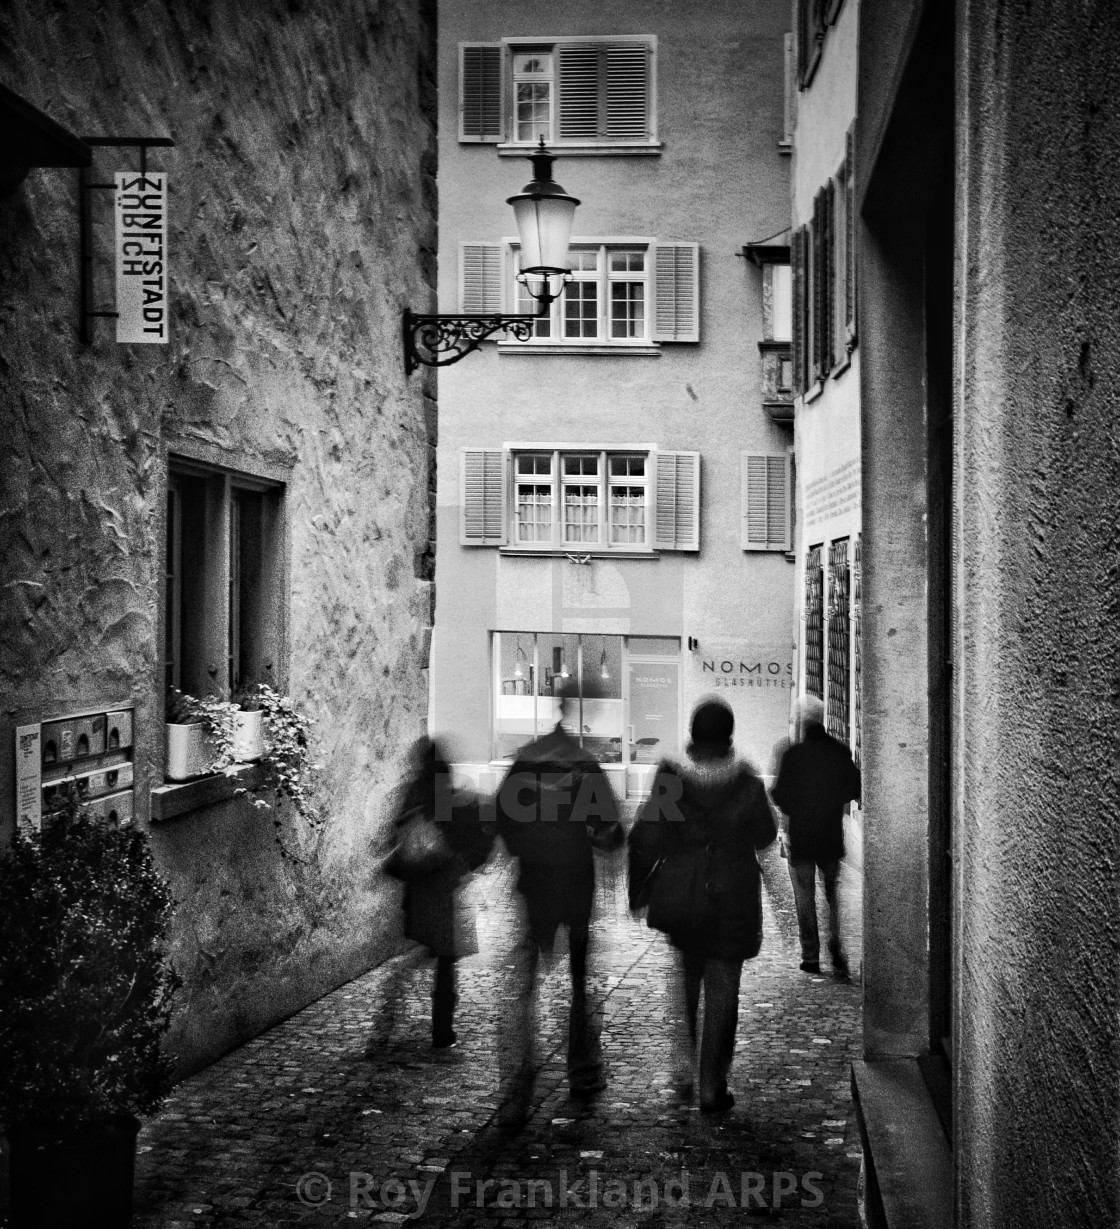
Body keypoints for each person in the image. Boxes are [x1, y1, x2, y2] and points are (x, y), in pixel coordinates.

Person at [628, 698, 776, 1115]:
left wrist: (638, 891)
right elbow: (765, 837)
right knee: (724, 990)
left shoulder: (672, 780)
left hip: (682, 897)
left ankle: (681, 1065)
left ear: (692, 737)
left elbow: (645, 837)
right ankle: (713, 1085)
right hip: (733, 900)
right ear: (728, 736)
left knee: (687, 978)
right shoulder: (746, 782)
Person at [494, 684, 624, 1126]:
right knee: (580, 978)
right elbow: (609, 829)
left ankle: (518, 1078)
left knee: (525, 979)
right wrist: (591, 837)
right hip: (574, 881)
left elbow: (502, 817)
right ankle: (583, 1071)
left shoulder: (527, 758)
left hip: (535, 881)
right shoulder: (584, 764)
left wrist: (525, 851)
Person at [385, 736, 493, 1049]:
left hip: (423, 887)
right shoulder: (452, 796)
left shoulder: (413, 794)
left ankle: (432, 1020)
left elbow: (396, 836)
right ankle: (442, 1031)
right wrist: (470, 863)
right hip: (447, 886)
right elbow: (478, 833)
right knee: (446, 960)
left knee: (436, 950)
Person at [770, 694, 861, 977]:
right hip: (830, 835)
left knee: (804, 896)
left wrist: (796, 808)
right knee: (832, 896)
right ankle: (836, 947)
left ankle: (811, 955)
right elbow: (854, 788)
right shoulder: (839, 751)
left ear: (800, 721)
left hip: (802, 836)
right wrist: (831, 803)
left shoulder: (793, 755)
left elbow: (779, 793)